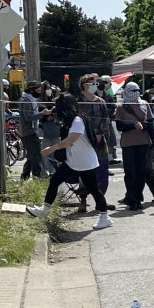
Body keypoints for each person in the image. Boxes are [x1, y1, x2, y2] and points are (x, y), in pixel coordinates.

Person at [26, 94, 112, 230]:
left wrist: (51, 149)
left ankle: (105, 217)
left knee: (94, 190)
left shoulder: (78, 120)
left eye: (58, 108)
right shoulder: (71, 120)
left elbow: (71, 139)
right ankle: (44, 210)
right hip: (73, 161)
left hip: (85, 162)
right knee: (54, 181)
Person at [114, 82, 154, 211]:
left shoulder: (144, 103)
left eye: (138, 90)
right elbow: (119, 126)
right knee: (130, 173)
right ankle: (131, 199)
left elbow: (150, 122)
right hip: (128, 144)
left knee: (141, 172)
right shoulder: (121, 107)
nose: (136, 92)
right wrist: (133, 126)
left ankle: (138, 197)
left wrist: (147, 128)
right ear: (127, 92)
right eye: (133, 90)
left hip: (143, 142)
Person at [77, 73, 113, 213]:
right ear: (84, 85)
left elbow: (106, 120)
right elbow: (75, 121)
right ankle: (83, 200)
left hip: (100, 142)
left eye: (95, 83)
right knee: (84, 172)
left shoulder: (100, 101)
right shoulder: (78, 102)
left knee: (102, 171)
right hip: (83, 141)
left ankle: (101, 201)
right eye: (91, 83)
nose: (94, 86)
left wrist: (100, 134)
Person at [18, 80, 46, 180]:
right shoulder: (26, 100)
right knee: (37, 156)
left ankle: (24, 178)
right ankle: (37, 180)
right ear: (31, 89)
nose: (39, 90)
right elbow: (28, 117)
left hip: (31, 131)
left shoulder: (30, 99)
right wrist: (43, 113)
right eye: (37, 88)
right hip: (29, 132)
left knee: (31, 157)